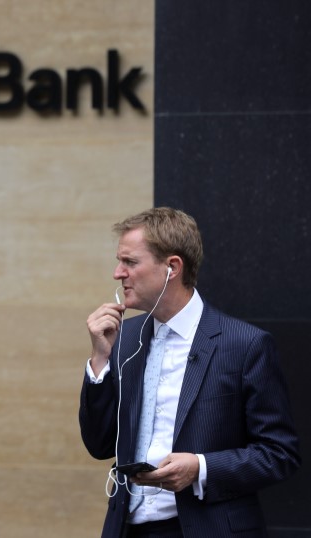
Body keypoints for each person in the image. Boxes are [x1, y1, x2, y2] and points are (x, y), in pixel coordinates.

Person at [79, 207, 300, 538]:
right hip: (128, 528)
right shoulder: (123, 339)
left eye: (130, 262)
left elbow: (279, 453)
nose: (118, 273)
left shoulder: (245, 345)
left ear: (172, 267)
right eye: (119, 261)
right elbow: (99, 444)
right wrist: (100, 358)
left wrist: (201, 469)